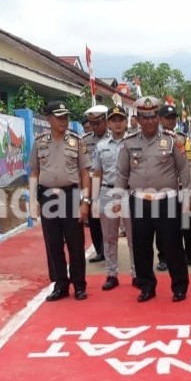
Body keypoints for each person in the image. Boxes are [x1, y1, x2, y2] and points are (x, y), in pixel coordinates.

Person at [115, 96, 191, 303]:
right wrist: (118, 201)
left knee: (172, 245)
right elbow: (122, 174)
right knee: (141, 246)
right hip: (139, 201)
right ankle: (146, 286)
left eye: (152, 117)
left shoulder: (172, 140)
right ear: (138, 119)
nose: (148, 121)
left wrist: (187, 199)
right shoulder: (128, 143)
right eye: (144, 117)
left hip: (166, 201)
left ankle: (179, 286)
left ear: (158, 117)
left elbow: (183, 170)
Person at [29, 100, 91, 301]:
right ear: (48, 119)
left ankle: (79, 284)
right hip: (47, 196)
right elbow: (34, 172)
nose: (64, 121)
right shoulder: (39, 142)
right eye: (59, 117)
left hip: (71, 195)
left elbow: (85, 173)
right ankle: (60, 284)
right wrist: (33, 200)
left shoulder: (76, 141)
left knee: (75, 242)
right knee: (53, 243)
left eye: (66, 117)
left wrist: (85, 201)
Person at [156, 104, 191, 271]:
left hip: (182, 186)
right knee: (162, 225)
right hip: (163, 189)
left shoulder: (182, 138)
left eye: (173, 118)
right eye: (168, 117)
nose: (171, 120)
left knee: (186, 223)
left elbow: (189, 160)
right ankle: (163, 258)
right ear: (160, 119)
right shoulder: (155, 138)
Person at [93, 104, 135, 290]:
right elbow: (97, 173)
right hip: (107, 192)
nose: (117, 124)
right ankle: (111, 274)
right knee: (109, 236)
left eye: (121, 120)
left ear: (126, 122)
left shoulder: (134, 142)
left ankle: (136, 273)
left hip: (129, 193)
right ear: (108, 123)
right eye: (113, 120)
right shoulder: (101, 146)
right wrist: (93, 199)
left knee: (134, 237)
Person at [82, 104, 109, 264]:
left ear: (105, 121)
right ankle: (100, 251)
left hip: (108, 183)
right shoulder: (85, 140)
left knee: (109, 219)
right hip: (92, 183)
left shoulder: (114, 137)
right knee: (94, 219)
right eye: (92, 124)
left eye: (97, 123)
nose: (94, 127)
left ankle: (110, 250)